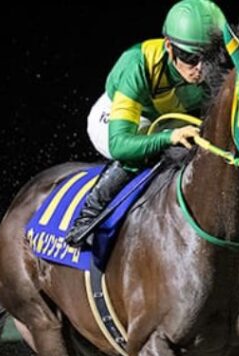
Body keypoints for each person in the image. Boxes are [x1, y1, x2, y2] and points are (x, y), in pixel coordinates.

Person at [65, 0, 227, 246]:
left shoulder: (209, 68)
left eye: (210, 58)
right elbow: (120, 144)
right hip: (117, 119)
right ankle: (87, 217)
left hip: (166, 117)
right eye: (190, 58)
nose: (200, 69)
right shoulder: (137, 64)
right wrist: (169, 137)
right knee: (144, 151)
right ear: (169, 47)